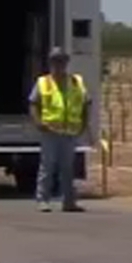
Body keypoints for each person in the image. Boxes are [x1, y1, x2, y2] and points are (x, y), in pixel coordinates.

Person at [29, 47, 90, 213]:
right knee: (47, 167)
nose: (58, 64)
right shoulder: (43, 82)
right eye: (55, 61)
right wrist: (38, 122)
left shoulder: (76, 82)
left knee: (68, 168)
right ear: (50, 63)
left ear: (67, 62)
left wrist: (84, 125)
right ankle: (43, 200)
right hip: (50, 131)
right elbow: (34, 104)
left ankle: (68, 202)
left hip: (70, 132)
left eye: (61, 61)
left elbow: (85, 104)